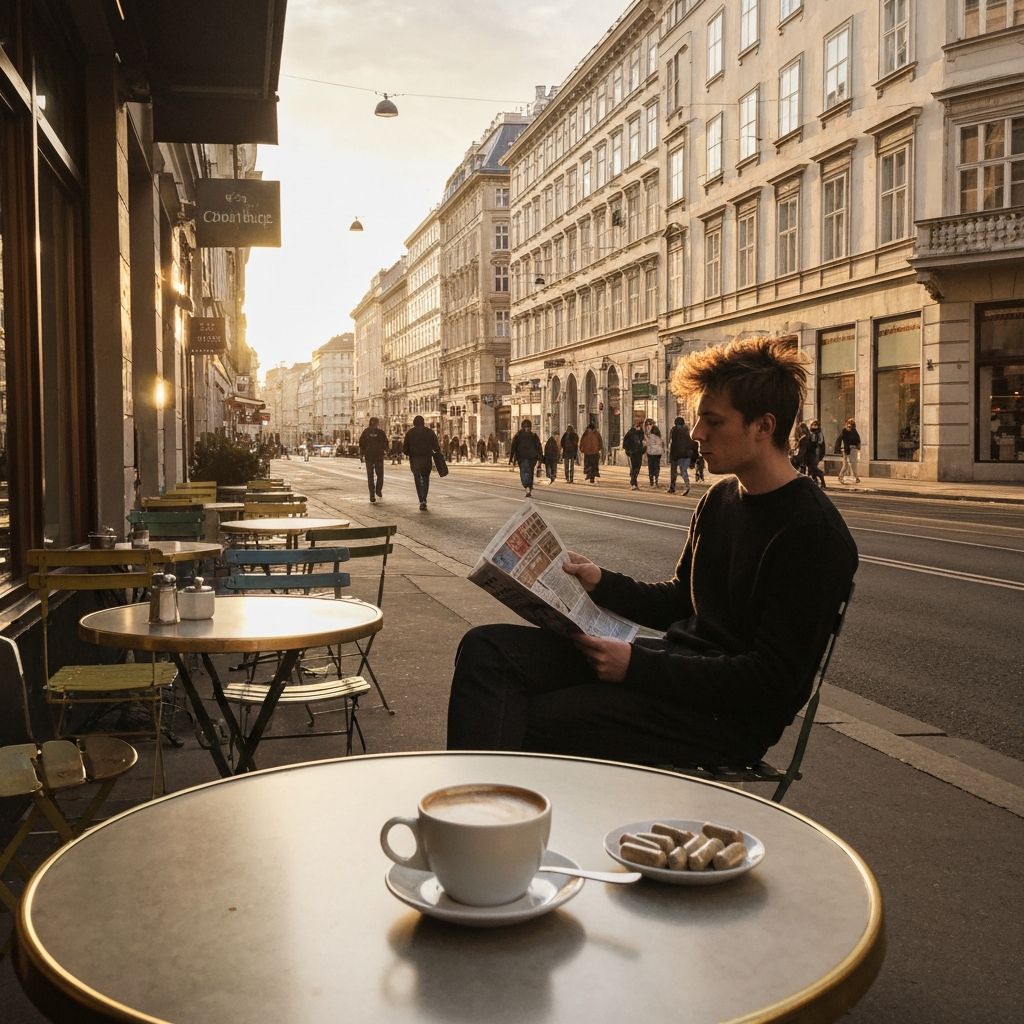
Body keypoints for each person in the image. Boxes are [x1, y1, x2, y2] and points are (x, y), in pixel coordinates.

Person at [446, 336, 857, 769]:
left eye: (713, 422)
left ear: (764, 426)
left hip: (724, 720)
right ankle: (476, 818)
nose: (697, 434)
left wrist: (636, 668)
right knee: (486, 648)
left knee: (533, 715)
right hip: (671, 668)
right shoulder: (721, 499)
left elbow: (771, 681)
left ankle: (486, 821)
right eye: (698, 420)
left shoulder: (812, 533)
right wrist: (600, 582)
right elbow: (681, 599)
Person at [403, 415, 442, 511]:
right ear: (423, 422)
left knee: (417, 479)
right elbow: (436, 447)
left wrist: (409, 453)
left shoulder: (410, 433)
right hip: (426, 459)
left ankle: (421, 500)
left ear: (414, 423)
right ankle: (424, 499)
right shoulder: (429, 432)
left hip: (415, 459)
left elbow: (405, 449)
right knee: (425, 479)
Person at [509, 419, 543, 497]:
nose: (527, 429)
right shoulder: (518, 436)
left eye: (528, 427)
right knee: (525, 472)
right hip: (522, 458)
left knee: (528, 473)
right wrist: (511, 458)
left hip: (532, 458)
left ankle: (528, 487)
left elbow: (539, 447)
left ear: (530, 427)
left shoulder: (533, 436)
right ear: (522, 427)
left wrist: (540, 459)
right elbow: (513, 446)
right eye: (525, 427)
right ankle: (528, 487)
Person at [358, 416, 389, 503]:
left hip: (369, 456)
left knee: (370, 476)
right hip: (378, 456)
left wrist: (361, 454)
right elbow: (385, 443)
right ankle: (378, 490)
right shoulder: (380, 432)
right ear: (377, 423)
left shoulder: (366, 432)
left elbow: (361, 444)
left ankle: (372, 494)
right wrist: (385, 450)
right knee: (380, 474)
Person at [667, 416, 693, 495]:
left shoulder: (674, 430)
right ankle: (687, 485)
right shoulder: (687, 431)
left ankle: (672, 488)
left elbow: (672, 443)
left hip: (675, 454)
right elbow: (690, 443)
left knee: (673, 472)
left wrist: (670, 455)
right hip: (685, 454)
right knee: (683, 471)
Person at [622, 419, 646, 491]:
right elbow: (625, 442)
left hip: (639, 453)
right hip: (632, 453)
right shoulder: (631, 432)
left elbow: (643, 443)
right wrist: (628, 451)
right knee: (633, 468)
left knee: (637, 468)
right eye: (640, 425)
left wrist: (643, 450)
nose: (640, 427)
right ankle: (633, 483)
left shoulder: (641, 433)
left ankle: (634, 481)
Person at [838, 418, 862, 484]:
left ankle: (856, 477)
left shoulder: (854, 431)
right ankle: (841, 476)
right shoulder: (845, 430)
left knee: (852, 464)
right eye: (849, 424)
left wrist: (858, 446)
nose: (850, 426)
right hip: (846, 449)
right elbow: (841, 438)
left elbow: (857, 439)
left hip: (852, 448)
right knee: (846, 464)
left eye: (852, 424)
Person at [806, 419, 826, 488]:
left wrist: (814, 441)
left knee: (813, 467)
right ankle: (815, 481)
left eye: (815, 425)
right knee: (811, 468)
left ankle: (820, 480)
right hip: (810, 452)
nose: (814, 426)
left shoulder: (818, 433)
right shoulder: (810, 432)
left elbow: (820, 442)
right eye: (813, 425)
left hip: (815, 452)